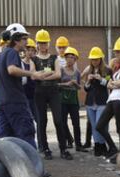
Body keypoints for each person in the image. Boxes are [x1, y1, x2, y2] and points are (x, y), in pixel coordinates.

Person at [0, 23, 48, 148]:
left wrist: (1, 91)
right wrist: (32, 74)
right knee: (26, 134)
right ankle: (32, 165)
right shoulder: (12, 52)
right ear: (16, 39)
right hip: (16, 101)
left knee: (5, 137)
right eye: (24, 39)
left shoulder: (1, 55)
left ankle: (6, 165)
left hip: (2, 102)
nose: (27, 42)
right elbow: (12, 69)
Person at [31, 29, 72, 160]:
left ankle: (63, 148)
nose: (43, 46)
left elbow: (58, 74)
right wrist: (49, 74)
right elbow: (33, 76)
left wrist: (42, 76)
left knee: (59, 120)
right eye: (41, 43)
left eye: (45, 43)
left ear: (49, 44)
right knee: (42, 121)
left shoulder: (54, 58)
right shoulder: (33, 59)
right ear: (37, 44)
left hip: (54, 92)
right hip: (39, 93)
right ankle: (46, 148)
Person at [96, 36, 120, 162]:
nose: (116, 54)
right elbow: (109, 83)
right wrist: (113, 83)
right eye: (115, 52)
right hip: (112, 99)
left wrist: (114, 83)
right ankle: (113, 148)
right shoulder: (116, 67)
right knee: (100, 126)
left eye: (118, 52)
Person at [83, 46, 112, 156]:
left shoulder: (108, 70)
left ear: (100, 59)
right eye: (92, 59)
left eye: (96, 59)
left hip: (102, 102)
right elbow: (86, 88)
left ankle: (103, 144)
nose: (94, 61)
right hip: (90, 102)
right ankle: (97, 145)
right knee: (94, 126)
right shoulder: (89, 70)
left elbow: (110, 85)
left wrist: (101, 79)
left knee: (101, 125)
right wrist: (88, 81)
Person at [59, 47, 88, 152]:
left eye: (72, 57)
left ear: (75, 60)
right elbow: (56, 84)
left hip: (73, 100)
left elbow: (80, 87)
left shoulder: (77, 72)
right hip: (63, 99)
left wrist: (76, 85)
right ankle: (66, 141)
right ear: (65, 58)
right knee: (62, 122)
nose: (70, 59)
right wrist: (67, 84)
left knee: (76, 123)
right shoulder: (61, 70)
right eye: (68, 57)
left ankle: (78, 144)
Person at [55, 35, 74, 147]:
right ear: (56, 48)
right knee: (61, 119)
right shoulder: (55, 59)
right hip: (58, 91)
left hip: (68, 92)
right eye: (60, 47)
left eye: (64, 47)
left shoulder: (70, 59)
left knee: (64, 119)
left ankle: (69, 139)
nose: (62, 49)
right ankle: (68, 138)